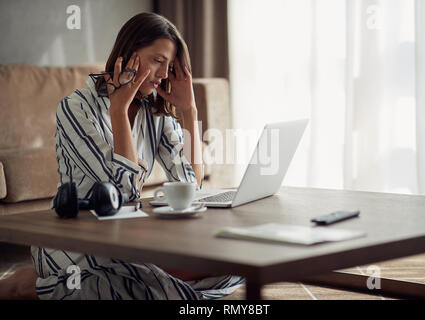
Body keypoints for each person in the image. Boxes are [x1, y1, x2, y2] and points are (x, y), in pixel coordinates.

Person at [0, 12, 243, 300]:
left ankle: (50, 285)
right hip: (75, 239)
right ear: (129, 54)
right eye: (157, 60)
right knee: (151, 285)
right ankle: (27, 287)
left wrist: (190, 112)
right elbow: (122, 193)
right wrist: (118, 110)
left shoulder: (155, 113)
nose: (164, 75)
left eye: (169, 65)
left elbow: (190, 184)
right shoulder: (76, 109)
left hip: (128, 239)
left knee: (232, 265)